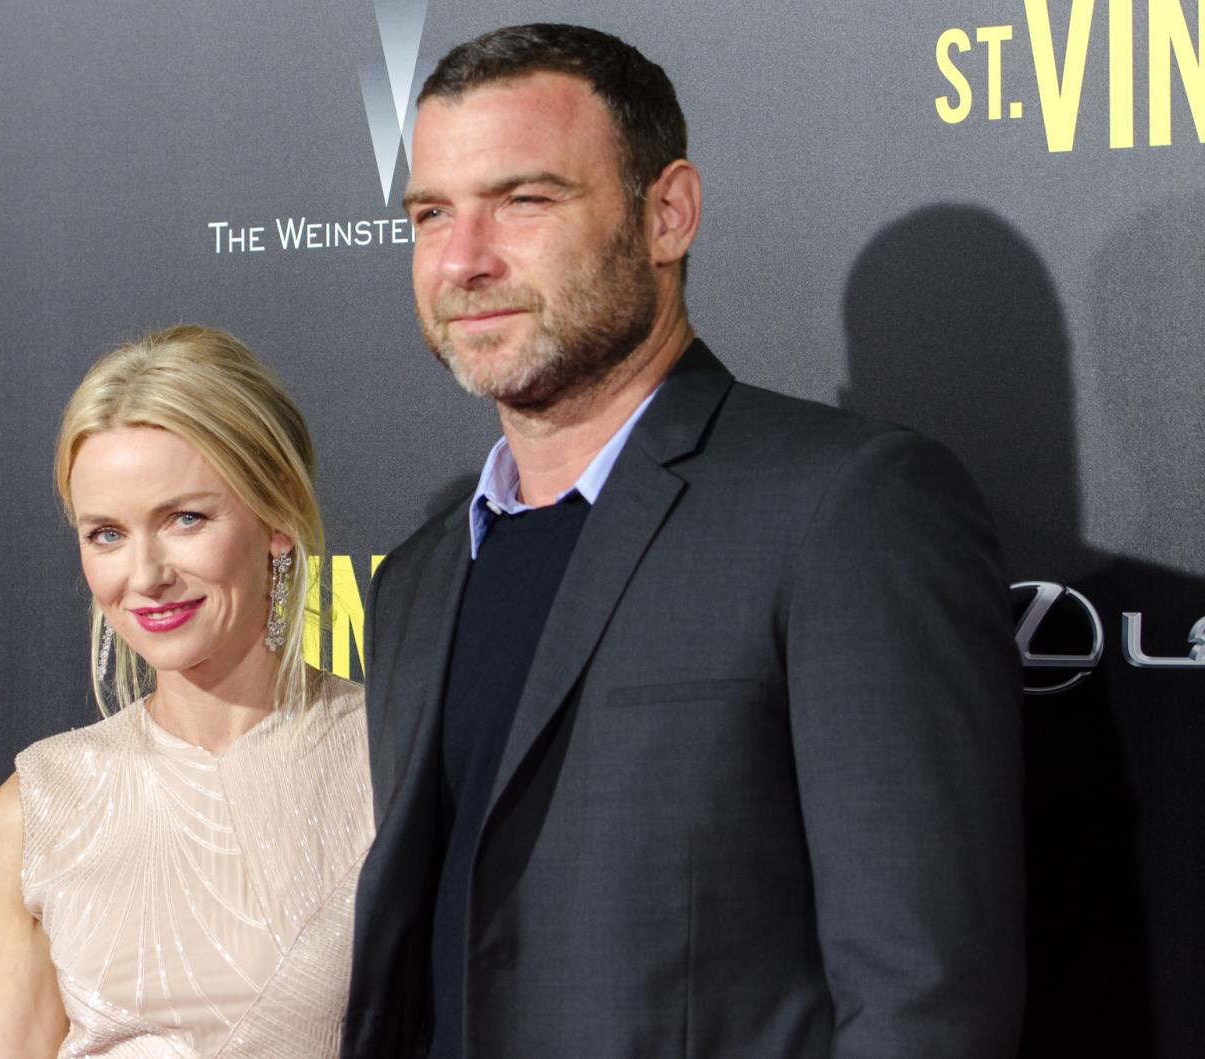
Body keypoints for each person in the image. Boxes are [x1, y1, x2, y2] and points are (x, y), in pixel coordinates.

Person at [342, 23, 1025, 1058]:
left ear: (666, 215)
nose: (464, 259)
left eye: (524, 200)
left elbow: (922, 996)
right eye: (432, 213)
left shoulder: (841, 509)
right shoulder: (416, 581)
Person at [0, 325, 374, 1059]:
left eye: (185, 519)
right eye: (106, 534)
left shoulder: (393, 762)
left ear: (278, 515)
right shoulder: (41, 804)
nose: (146, 575)